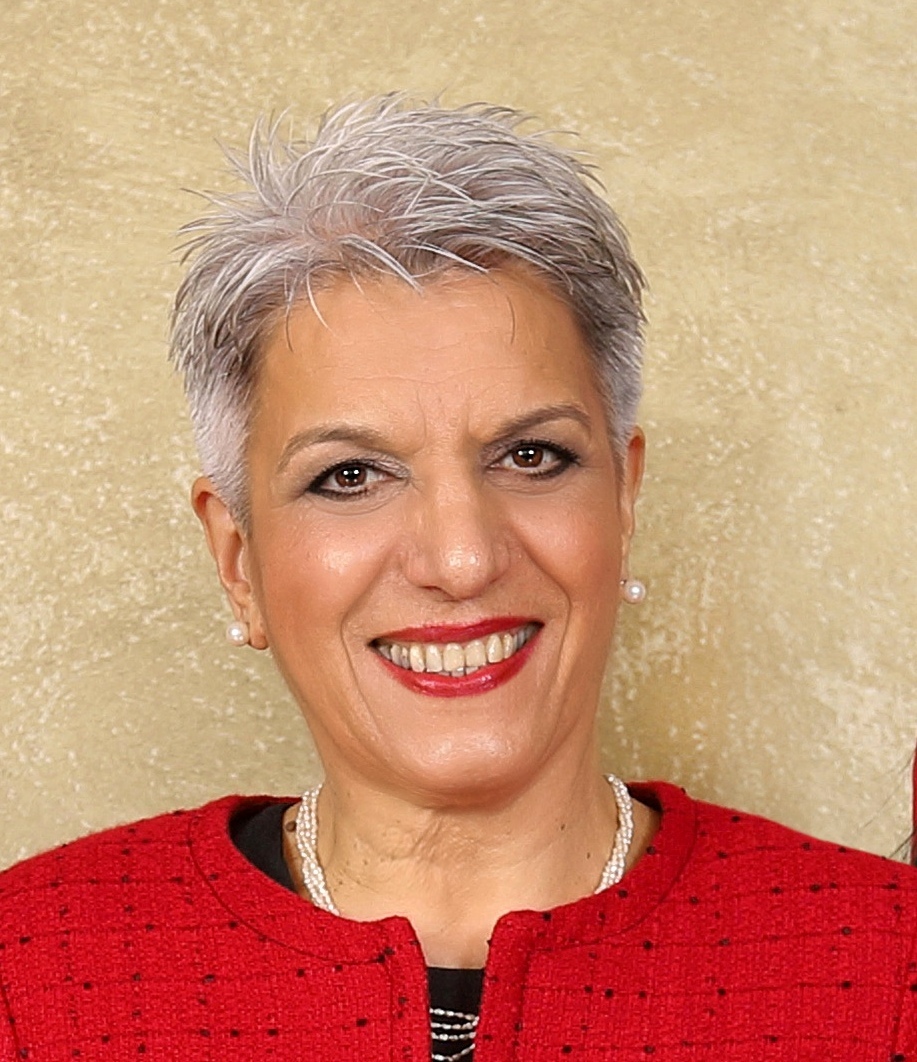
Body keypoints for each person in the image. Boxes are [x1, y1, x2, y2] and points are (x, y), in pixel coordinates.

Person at [1, 96, 915, 1062]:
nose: (461, 560)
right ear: (238, 561)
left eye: (530, 456)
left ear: (623, 501)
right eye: (350, 476)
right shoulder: (32, 978)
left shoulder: (887, 969)